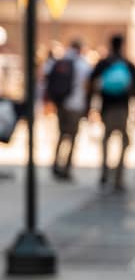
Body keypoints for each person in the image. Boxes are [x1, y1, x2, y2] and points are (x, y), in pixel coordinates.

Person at [87, 34, 135, 191]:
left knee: (106, 139)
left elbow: (92, 84)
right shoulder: (127, 64)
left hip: (107, 108)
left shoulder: (103, 63)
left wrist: (90, 107)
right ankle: (119, 176)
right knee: (124, 140)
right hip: (122, 108)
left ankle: (104, 171)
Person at [44, 39, 92, 180]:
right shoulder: (83, 64)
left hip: (63, 103)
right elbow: (88, 85)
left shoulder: (62, 61)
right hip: (76, 105)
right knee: (72, 137)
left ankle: (56, 163)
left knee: (61, 134)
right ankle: (66, 167)